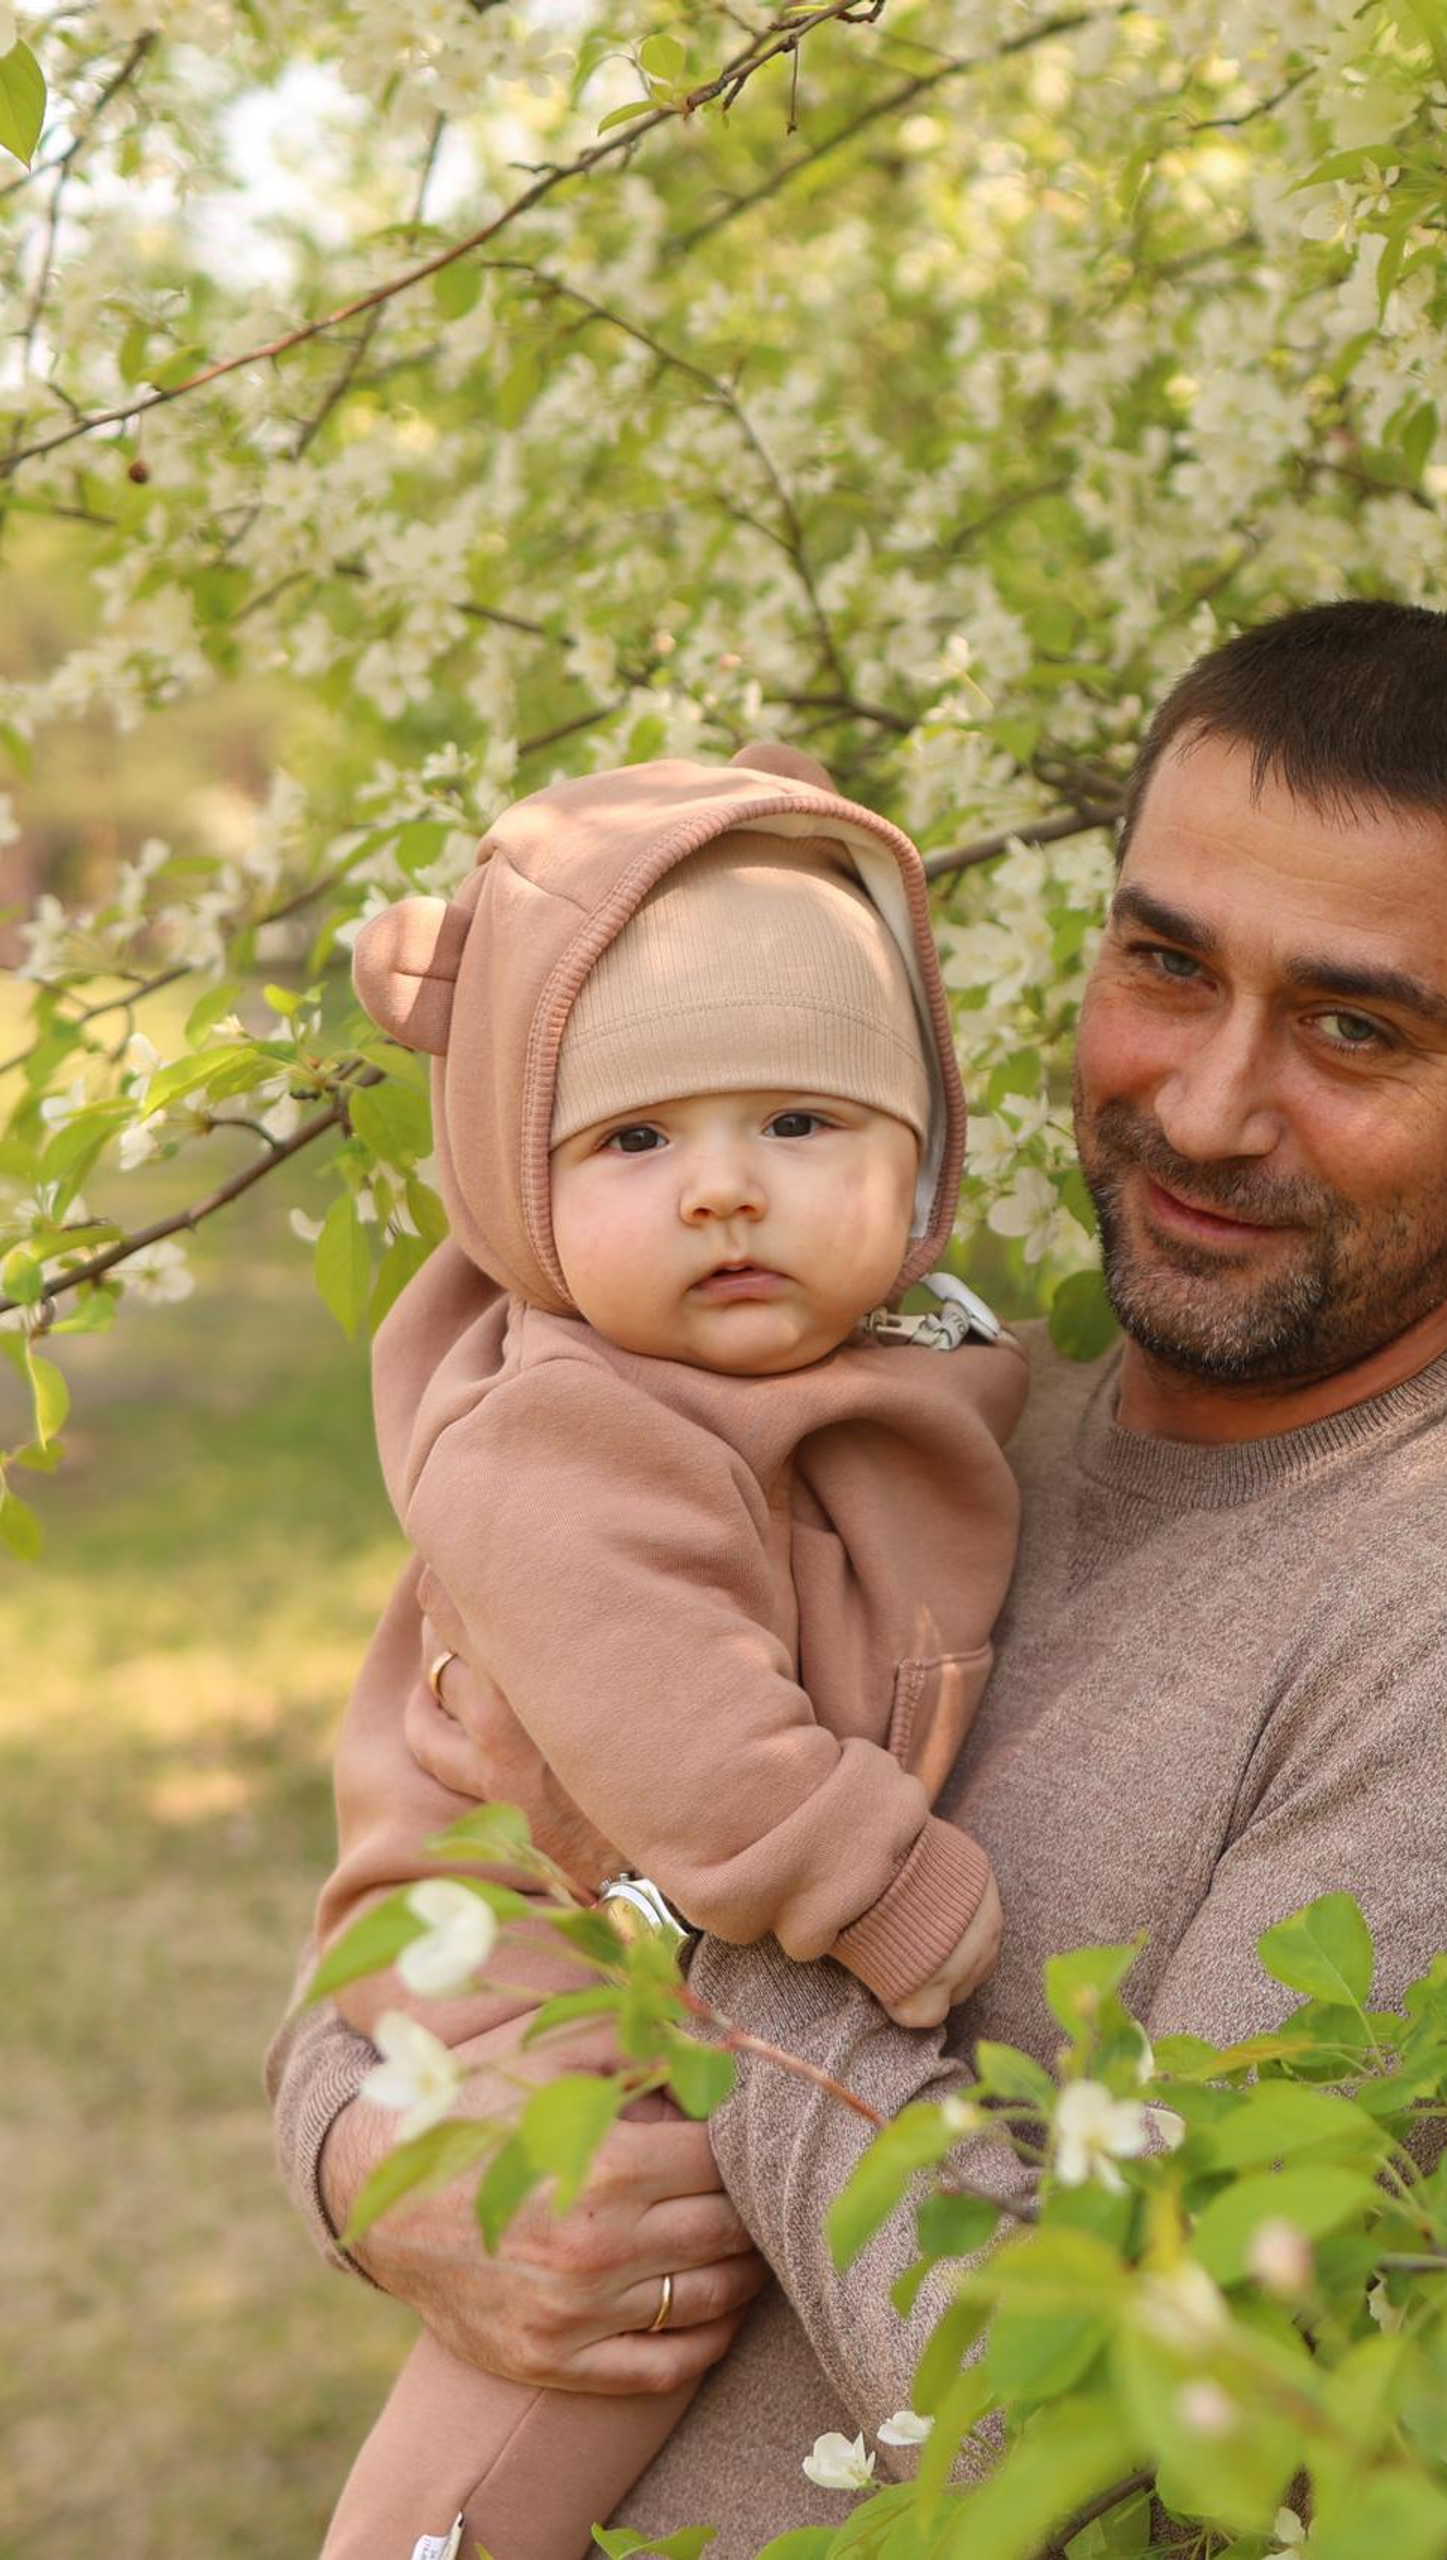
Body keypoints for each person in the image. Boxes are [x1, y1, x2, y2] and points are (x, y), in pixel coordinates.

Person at [267, 601, 1447, 2550]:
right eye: (1163, 963)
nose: (1204, 1105)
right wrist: (376, 2160)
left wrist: (684, 1922)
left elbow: (1144, 2456)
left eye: (1352, 1024)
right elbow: (433, 1867)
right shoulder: (933, 1407)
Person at [310, 742, 1028, 2559]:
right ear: (520, 1186)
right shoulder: (565, 1435)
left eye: (799, 1124)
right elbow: (682, 1738)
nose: (723, 1189)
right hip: (538, 1999)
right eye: (636, 1139)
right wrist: (877, 1885)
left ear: (922, 1153)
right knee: (580, 2342)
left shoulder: (874, 1369)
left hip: (650, 1970)